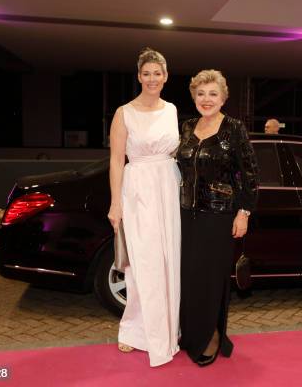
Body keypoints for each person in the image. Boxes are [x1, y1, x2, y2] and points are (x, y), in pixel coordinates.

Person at [177, 70, 259, 367]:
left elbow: (249, 175)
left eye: (213, 94)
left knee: (212, 280)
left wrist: (244, 212)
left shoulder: (234, 129)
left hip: (219, 215)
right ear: (194, 98)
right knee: (189, 278)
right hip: (185, 215)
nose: (206, 99)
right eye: (201, 94)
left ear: (223, 97)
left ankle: (212, 336)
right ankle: (191, 334)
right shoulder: (186, 127)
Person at [107, 48, 181, 367]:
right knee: (143, 264)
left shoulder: (172, 109)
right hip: (138, 190)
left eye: (157, 73)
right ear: (139, 76)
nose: (152, 78)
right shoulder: (124, 112)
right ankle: (135, 332)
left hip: (168, 187)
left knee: (169, 263)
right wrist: (115, 203)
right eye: (146, 73)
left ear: (165, 76)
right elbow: (115, 160)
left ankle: (167, 330)